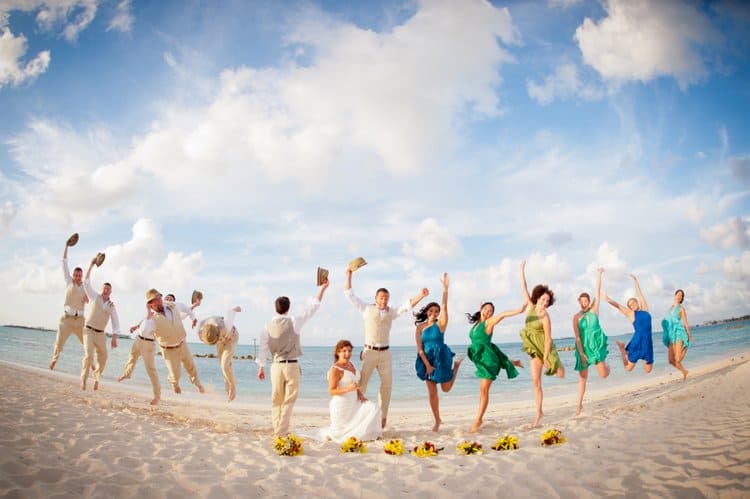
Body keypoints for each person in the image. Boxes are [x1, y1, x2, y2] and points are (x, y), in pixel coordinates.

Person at [345, 268, 429, 429]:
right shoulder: (366, 309)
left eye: (386, 298)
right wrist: (349, 275)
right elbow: (350, 296)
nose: (384, 301)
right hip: (369, 352)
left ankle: (383, 418)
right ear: (376, 298)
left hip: (385, 353)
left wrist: (421, 295)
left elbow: (406, 306)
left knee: (387, 385)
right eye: (381, 298)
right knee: (362, 384)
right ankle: (354, 414)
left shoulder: (392, 312)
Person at [257, 279, 329, 436]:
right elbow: (313, 307)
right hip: (291, 366)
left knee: (276, 400)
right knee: (288, 401)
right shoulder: (294, 321)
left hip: (275, 366)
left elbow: (263, 348)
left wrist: (261, 367)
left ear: (275, 308)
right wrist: (323, 288)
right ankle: (281, 431)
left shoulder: (266, 326)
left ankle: (278, 429)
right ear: (288, 308)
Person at [414, 273, 463, 432]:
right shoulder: (419, 328)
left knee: (446, 389)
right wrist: (427, 365)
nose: (434, 313)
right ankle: (437, 420)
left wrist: (445, 289)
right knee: (432, 393)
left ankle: (455, 368)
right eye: (431, 310)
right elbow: (420, 349)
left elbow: (445, 306)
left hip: (441, 357)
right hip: (427, 359)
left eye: (437, 311)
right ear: (427, 311)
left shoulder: (441, 324)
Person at [466, 301, 525, 433]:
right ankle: (514, 362)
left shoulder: (489, 323)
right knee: (482, 390)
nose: (488, 312)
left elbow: (503, 314)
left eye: (491, 311)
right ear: (481, 309)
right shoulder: (477, 324)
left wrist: (519, 309)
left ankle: (478, 420)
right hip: (481, 357)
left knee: (484, 391)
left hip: (487, 359)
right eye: (486, 309)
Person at [519, 260, 565, 428]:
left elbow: (548, 338)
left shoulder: (545, 316)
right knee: (535, 381)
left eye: (548, 301)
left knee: (560, 374)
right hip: (533, 348)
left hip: (545, 347)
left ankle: (557, 361)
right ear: (538, 297)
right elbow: (523, 287)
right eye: (544, 299)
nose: (545, 302)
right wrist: (522, 270)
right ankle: (539, 411)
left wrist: (546, 356)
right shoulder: (531, 306)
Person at [141, 289, 204, 394]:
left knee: (191, 366)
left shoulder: (172, 305)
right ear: (150, 304)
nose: (160, 301)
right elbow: (143, 332)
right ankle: (174, 383)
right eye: (156, 300)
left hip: (182, 343)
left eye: (160, 297)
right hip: (169, 350)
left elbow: (185, 308)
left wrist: (193, 318)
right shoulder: (151, 319)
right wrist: (148, 314)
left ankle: (198, 384)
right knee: (175, 374)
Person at [317, 340, 382, 443]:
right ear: (338, 352)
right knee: (341, 434)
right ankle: (359, 436)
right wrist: (348, 389)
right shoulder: (335, 369)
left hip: (355, 402)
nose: (347, 354)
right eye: (344, 351)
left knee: (373, 407)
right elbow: (331, 391)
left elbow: (355, 383)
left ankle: (369, 434)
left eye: (349, 351)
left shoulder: (351, 364)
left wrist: (360, 395)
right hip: (342, 406)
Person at [573, 267, 610, 416]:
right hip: (583, 349)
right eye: (581, 301)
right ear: (579, 302)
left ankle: (608, 367)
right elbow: (577, 336)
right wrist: (581, 354)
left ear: (589, 302)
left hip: (595, 347)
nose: (584, 303)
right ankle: (578, 407)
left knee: (603, 375)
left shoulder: (595, 310)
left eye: (586, 301)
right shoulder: (576, 317)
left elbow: (597, 292)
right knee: (582, 379)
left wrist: (599, 275)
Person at [80, 255, 120, 391]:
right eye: (104, 288)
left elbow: (116, 322)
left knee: (103, 357)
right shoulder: (94, 296)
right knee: (88, 355)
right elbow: (86, 282)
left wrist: (114, 336)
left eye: (108, 289)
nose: (106, 290)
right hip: (88, 331)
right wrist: (91, 265)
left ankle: (96, 378)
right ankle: (84, 380)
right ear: (101, 289)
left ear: (111, 292)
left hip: (100, 334)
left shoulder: (111, 305)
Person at [604, 273, 654, 373]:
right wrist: (608, 299)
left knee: (648, 370)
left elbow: (640, 294)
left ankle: (628, 351)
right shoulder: (631, 314)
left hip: (647, 343)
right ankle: (623, 350)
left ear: (637, 302)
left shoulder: (645, 309)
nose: (633, 304)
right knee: (628, 369)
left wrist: (635, 281)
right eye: (630, 305)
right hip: (637, 342)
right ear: (630, 307)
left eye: (634, 302)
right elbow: (618, 306)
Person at [49, 238, 87, 370]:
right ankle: (54, 359)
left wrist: (87, 297)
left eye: (79, 275)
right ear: (73, 275)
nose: (77, 277)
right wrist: (66, 246)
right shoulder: (69, 282)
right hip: (67, 320)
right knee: (59, 343)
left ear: (81, 276)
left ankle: (91, 364)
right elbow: (64, 263)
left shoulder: (85, 287)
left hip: (80, 321)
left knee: (87, 343)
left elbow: (93, 299)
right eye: (76, 275)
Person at [117, 306, 161, 405]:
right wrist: (135, 327)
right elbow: (141, 323)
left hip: (149, 344)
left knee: (150, 369)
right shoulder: (148, 313)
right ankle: (127, 374)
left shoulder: (161, 317)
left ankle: (157, 396)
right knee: (132, 357)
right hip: (138, 339)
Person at [197, 306, 242, 402]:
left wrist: (237, 309)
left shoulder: (226, 324)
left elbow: (230, 311)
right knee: (223, 364)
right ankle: (228, 388)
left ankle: (233, 388)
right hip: (220, 341)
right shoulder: (201, 331)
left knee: (225, 365)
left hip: (231, 337)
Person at [661, 289, 693, 380]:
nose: (679, 296)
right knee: (671, 360)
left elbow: (685, 323)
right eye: (678, 294)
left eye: (681, 296)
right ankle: (684, 371)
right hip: (671, 334)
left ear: (681, 299)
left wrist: (689, 335)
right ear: (675, 295)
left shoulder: (681, 309)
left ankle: (686, 346)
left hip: (679, 333)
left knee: (678, 360)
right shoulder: (670, 308)